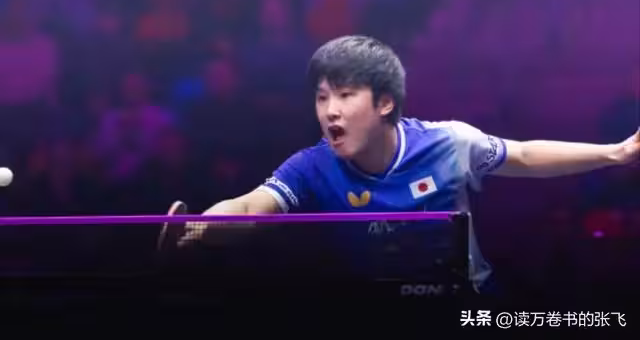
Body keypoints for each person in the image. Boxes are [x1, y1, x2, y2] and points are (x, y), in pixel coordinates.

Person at [175, 35, 639, 292]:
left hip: (467, 305)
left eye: (345, 95)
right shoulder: (311, 166)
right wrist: (199, 227)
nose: (330, 111)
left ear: (384, 103)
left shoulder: (447, 142)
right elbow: (251, 207)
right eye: (322, 98)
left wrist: (616, 152)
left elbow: (523, 154)